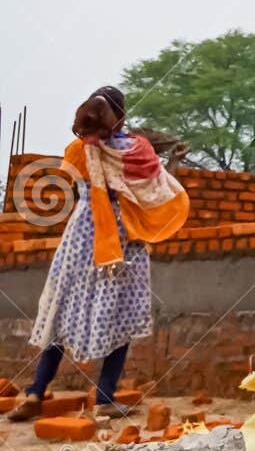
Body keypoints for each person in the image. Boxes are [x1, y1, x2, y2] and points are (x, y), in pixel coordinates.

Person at [9, 87, 189, 422]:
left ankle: (35, 392)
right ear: (120, 116)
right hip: (123, 241)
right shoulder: (138, 150)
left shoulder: (77, 150)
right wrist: (174, 162)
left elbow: (77, 177)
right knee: (120, 318)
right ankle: (104, 400)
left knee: (60, 314)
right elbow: (160, 192)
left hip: (80, 238)